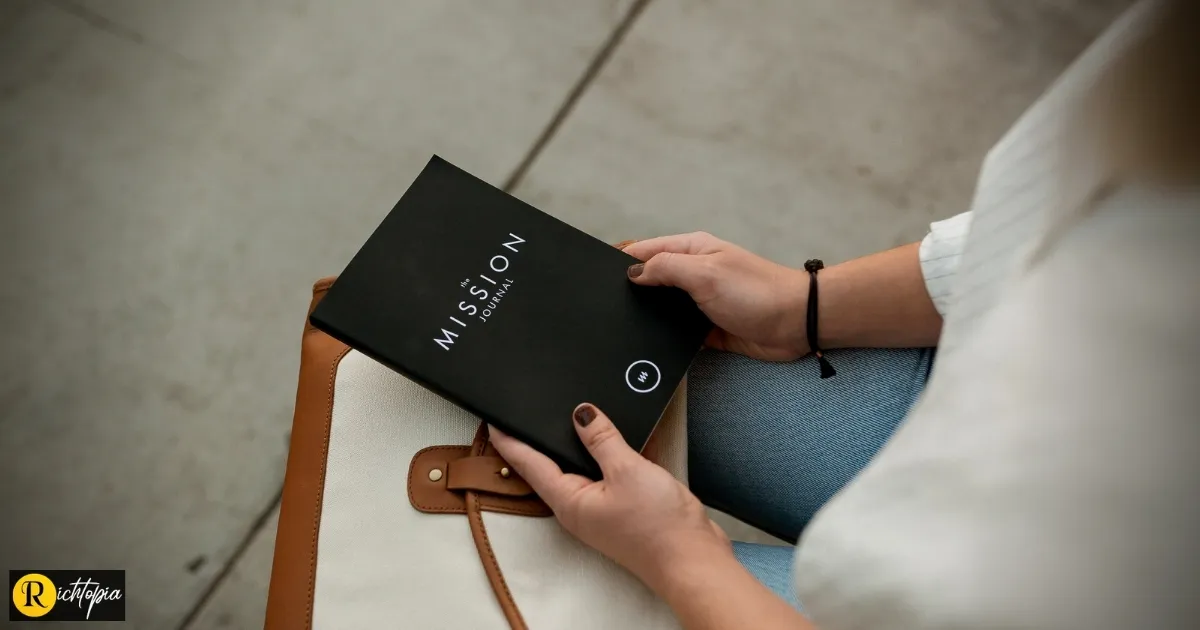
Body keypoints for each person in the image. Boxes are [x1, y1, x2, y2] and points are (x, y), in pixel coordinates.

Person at [490, 1, 1200, 628]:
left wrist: (682, 560)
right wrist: (804, 307)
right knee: (557, 362)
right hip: (989, 402)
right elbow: (1041, 213)